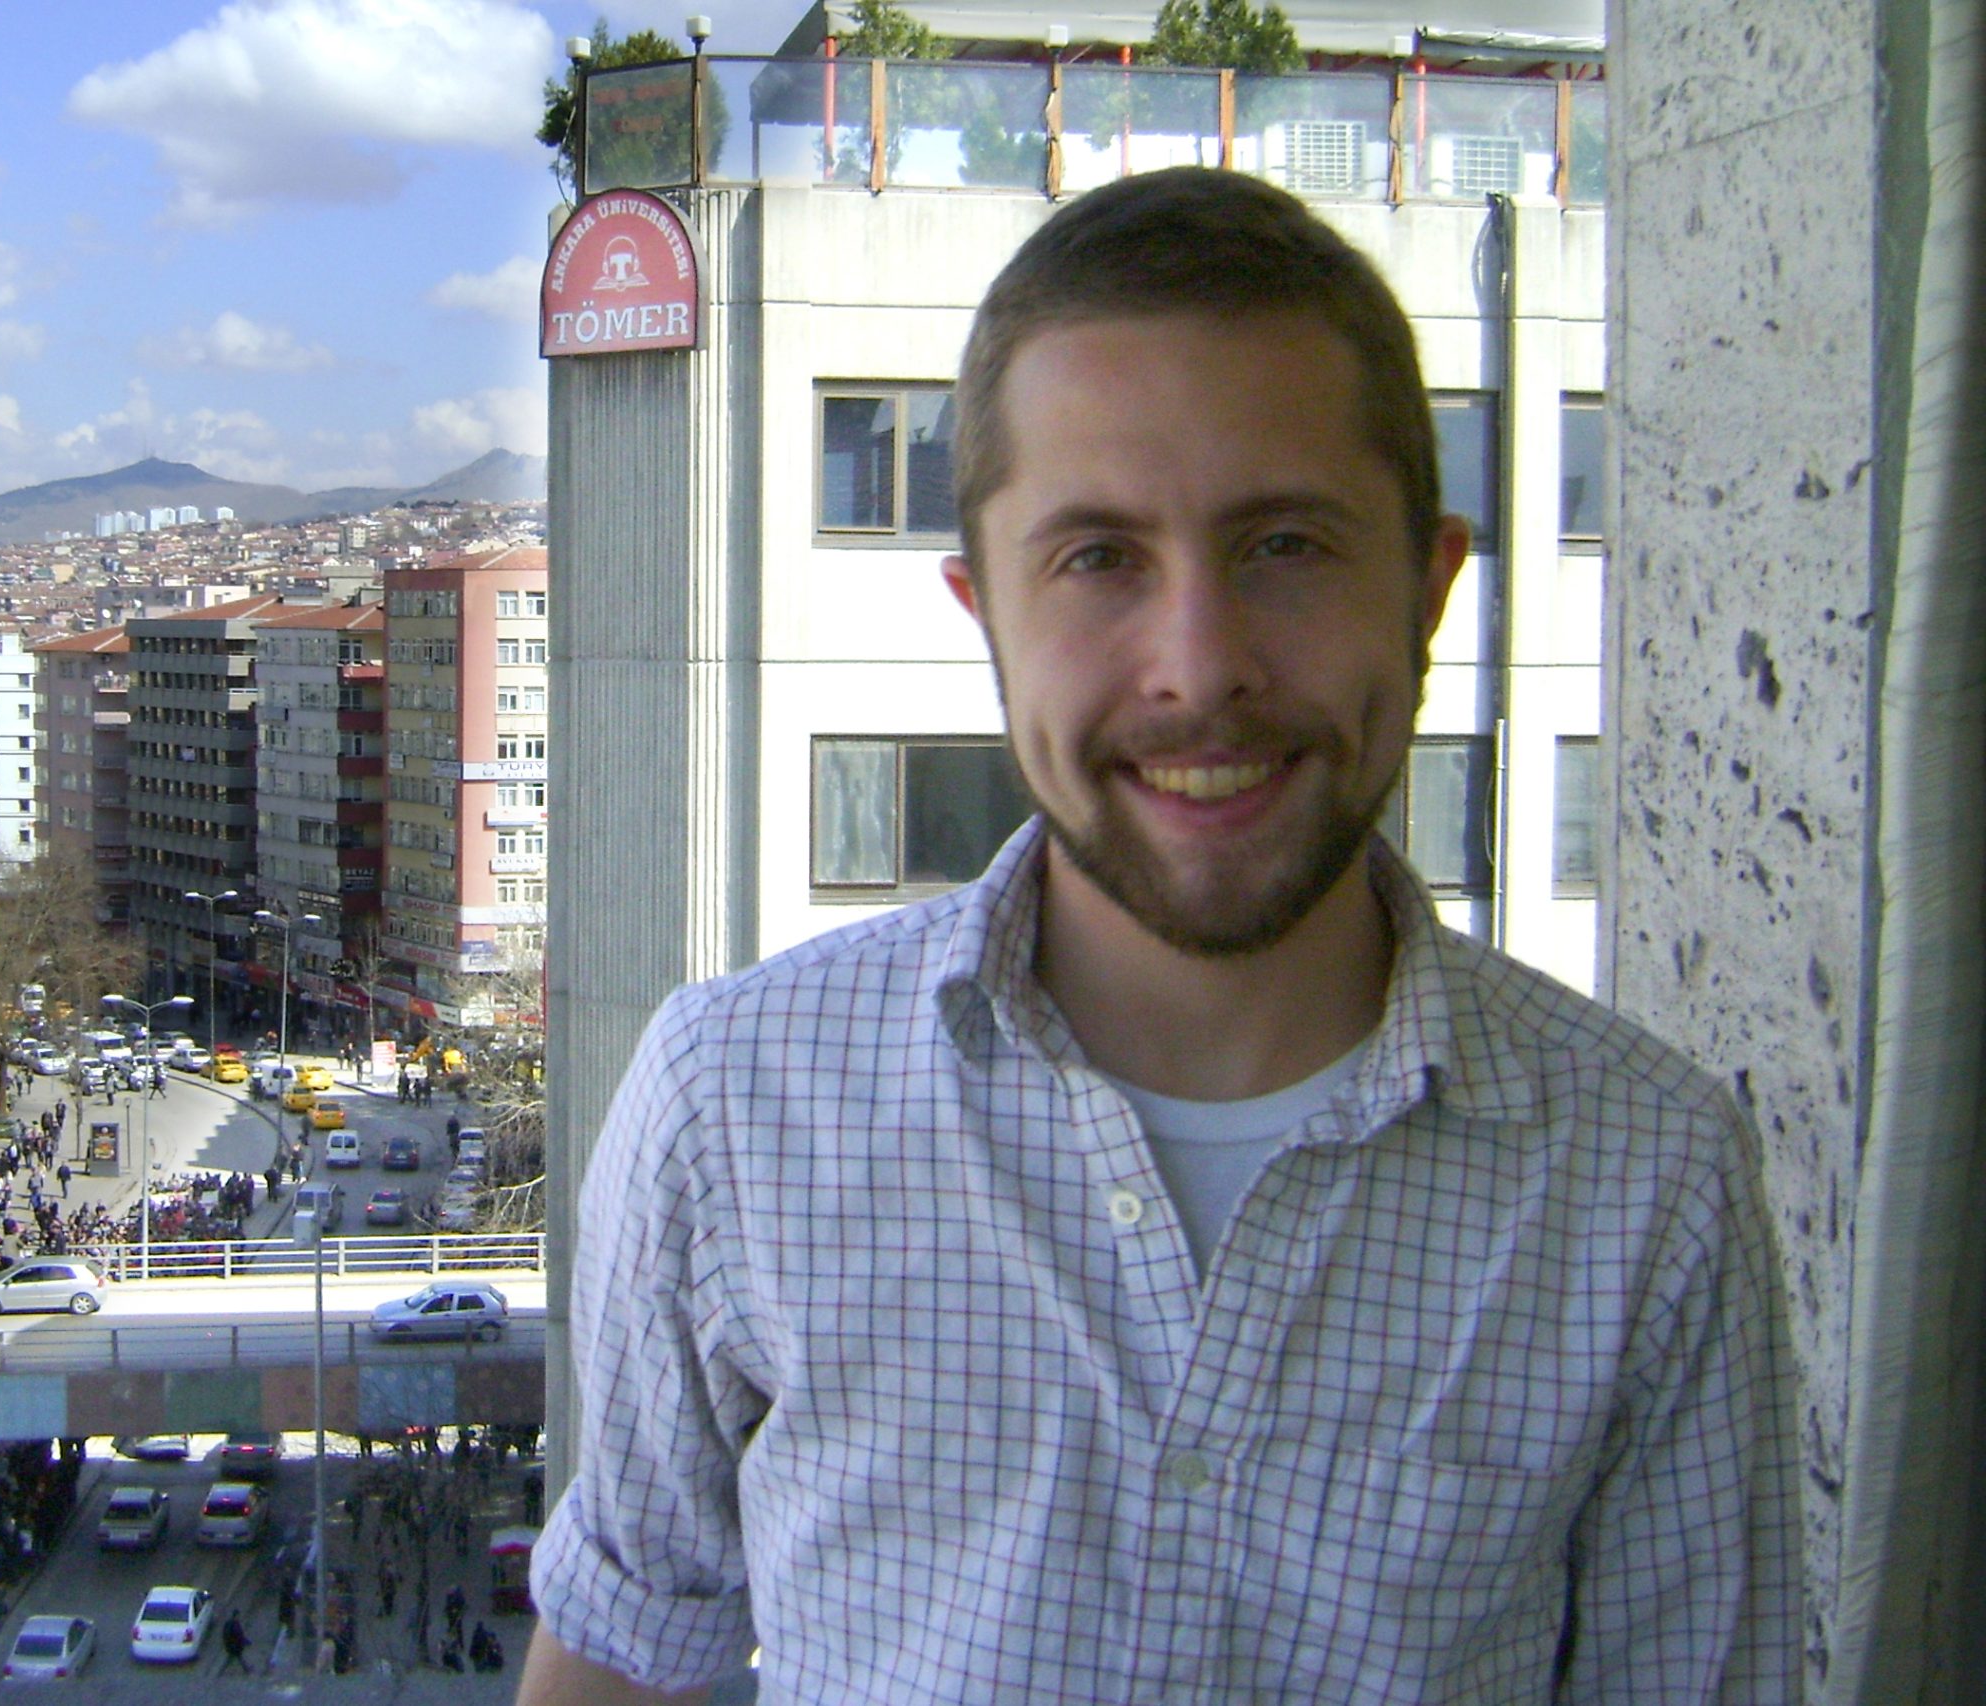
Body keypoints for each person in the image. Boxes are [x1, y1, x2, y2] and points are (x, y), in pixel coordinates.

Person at [521, 168, 1801, 1705]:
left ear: (1431, 588)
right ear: (985, 613)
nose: (1199, 667)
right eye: (1098, 558)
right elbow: (621, 1652)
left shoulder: (1649, 1180)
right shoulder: (735, 1102)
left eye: (1287, 546)